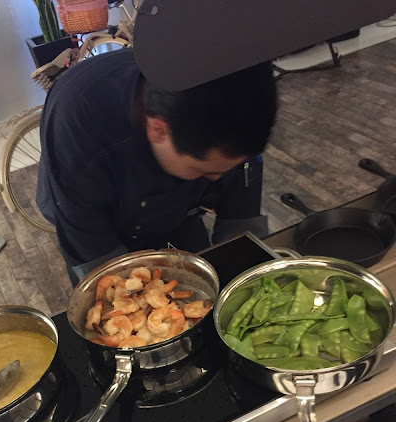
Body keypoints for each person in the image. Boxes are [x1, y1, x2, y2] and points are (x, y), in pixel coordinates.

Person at [37, 49, 277, 285]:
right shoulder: (79, 123)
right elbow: (100, 261)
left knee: (199, 278)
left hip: (180, 207)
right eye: (205, 171)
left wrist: (247, 267)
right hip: (94, 210)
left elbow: (242, 229)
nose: (218, 179)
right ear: (158, 129)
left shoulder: (238, 104)